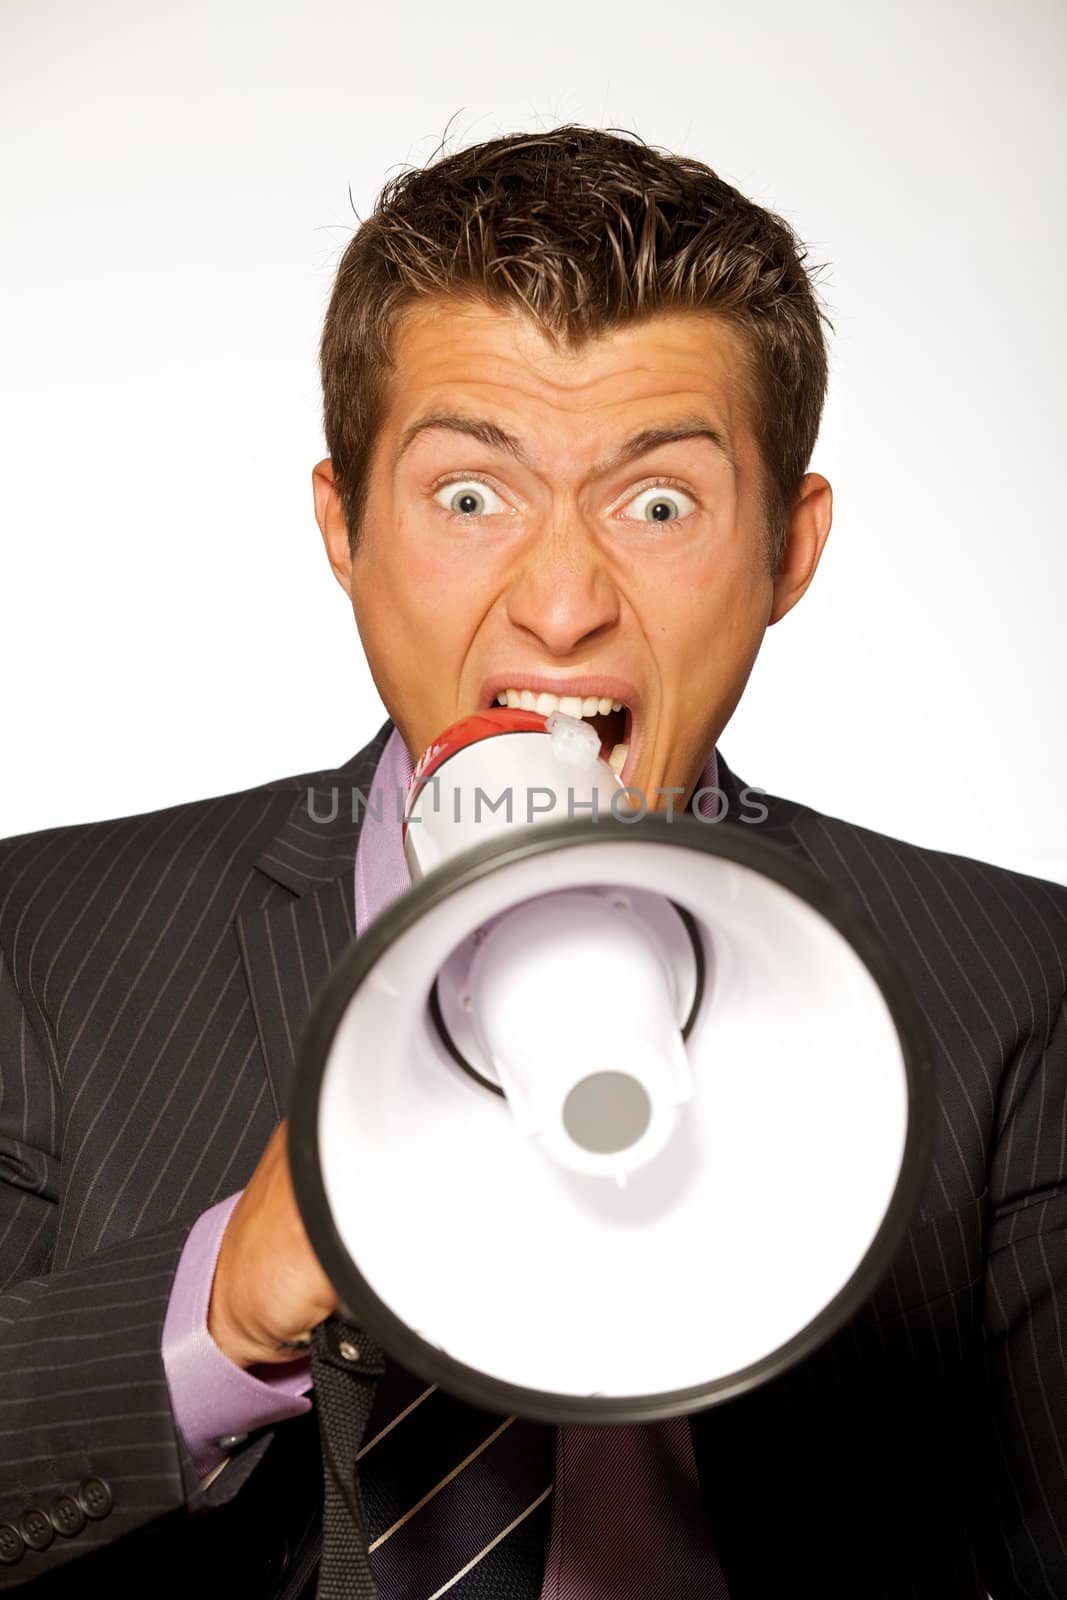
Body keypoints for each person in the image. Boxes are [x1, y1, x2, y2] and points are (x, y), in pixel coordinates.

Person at [0, 125, 1063, 1600]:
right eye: (469, 496)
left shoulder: (1017, 981)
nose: (562, 606)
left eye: (661, 505)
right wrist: (214, 1315)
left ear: (789, 554)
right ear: (343, 529)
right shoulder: (37, 942)